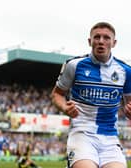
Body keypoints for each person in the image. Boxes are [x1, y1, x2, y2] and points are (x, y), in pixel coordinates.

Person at [51, 22, 131, 168]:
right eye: (97, 37)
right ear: (90, 41)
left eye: (106, 38)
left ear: (114, 43)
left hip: (110, 138)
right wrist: (64, 107)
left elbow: (130, 103)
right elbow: (57, 94)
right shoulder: (74, 65)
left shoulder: (125, 71)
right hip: (81, 133)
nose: (101, 41)